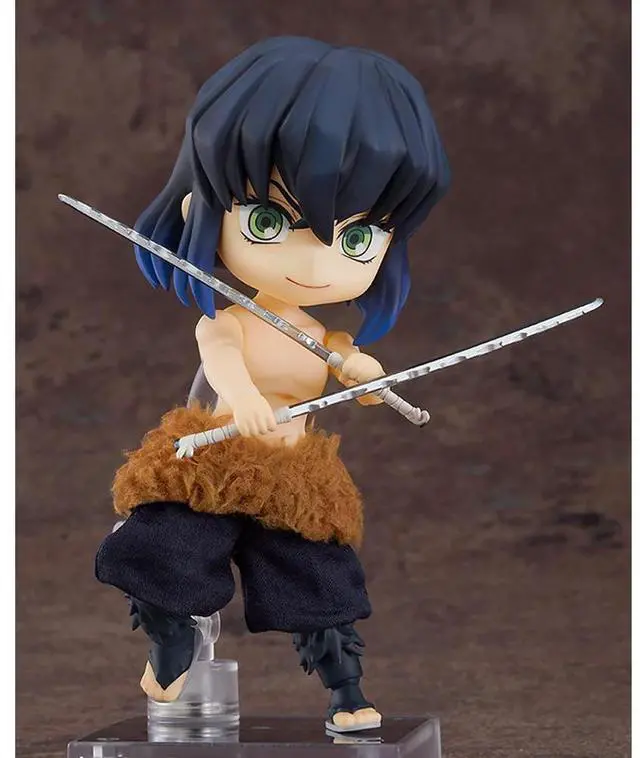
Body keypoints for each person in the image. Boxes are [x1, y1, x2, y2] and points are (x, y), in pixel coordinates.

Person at [95, 35, 450, 732]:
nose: (314, 265)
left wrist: (366, 376)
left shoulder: (323, 338)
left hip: (292, 474)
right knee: (167, 551)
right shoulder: (229, 320)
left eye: (355, 238)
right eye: (269, 221)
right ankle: (171, 642)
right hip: (216, 460)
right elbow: (221, 357)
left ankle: (346, 689)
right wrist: (246, 400)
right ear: (200, 208)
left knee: (318, 580)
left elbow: (356, 377)